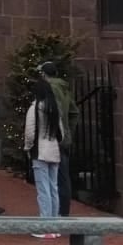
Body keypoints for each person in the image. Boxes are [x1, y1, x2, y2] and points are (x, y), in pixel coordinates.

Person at [23, 74, 66, 236]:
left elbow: (29, 131)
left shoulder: (35, 108)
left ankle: (45, 224)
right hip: (53, 149)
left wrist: (28, 148)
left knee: (43, 189)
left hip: (40, 150)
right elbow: (61, 132)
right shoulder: (55, 108)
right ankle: (54, 224)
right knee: (53, 187)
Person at [39, 60, 78, 217]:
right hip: (63, 139)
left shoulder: (49, 88)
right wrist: (68, 132)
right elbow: (74, 113)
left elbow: (55, 112)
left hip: (52, 138)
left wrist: (56, 132)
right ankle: (63, 212)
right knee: (63, 177)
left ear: (43, 74)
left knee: (49, 179)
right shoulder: (64, 88)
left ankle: (52, 215)